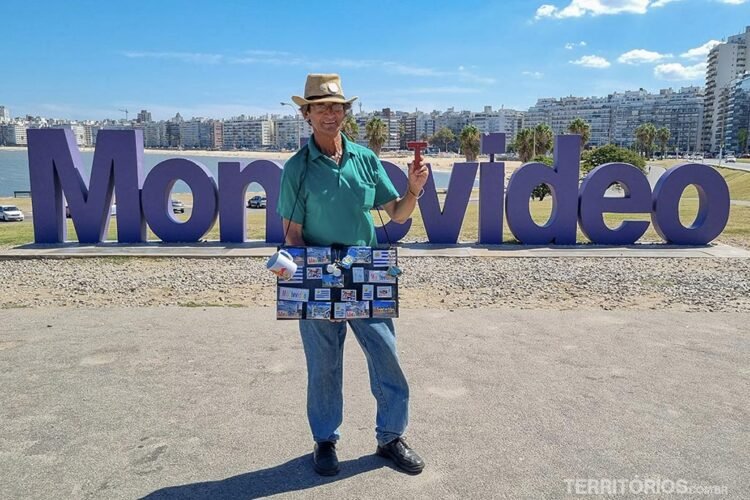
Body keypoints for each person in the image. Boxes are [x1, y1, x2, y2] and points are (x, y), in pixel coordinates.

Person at [277, 73, 428, 476]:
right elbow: (292, 235)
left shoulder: (365, 158)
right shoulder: (296, 169)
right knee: (324, 365)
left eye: (337, 106)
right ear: (307, 115)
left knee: (386, 357)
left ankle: (391, 437)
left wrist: (413, 189)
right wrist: (315, 286)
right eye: (321, 107)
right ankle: (325, 440)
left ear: (345, 112)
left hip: (366, 269)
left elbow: (397, 214)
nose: (330, 113)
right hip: (318, 272)